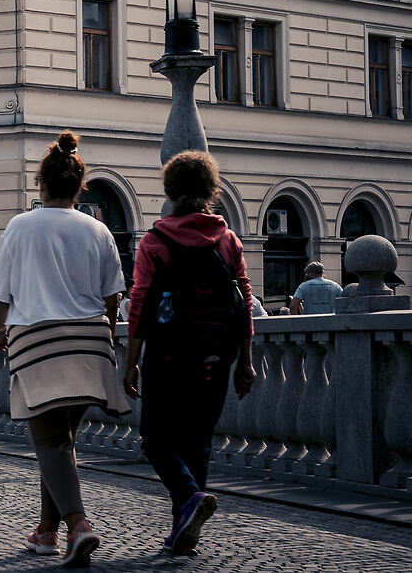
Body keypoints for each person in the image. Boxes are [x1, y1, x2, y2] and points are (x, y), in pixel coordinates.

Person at [0, 132, 128, 567]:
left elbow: (0, 291)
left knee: (50, 442)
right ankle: (46, 533)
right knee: (61, 442)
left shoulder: (20, 226)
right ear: (80, 186)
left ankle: (78, 525)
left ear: (41, 185)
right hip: (90, 343)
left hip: (38, 340)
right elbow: (113, 297)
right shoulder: (99, 229)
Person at [124, 148, 257, 559]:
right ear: (210, 190)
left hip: (168, 354)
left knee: (155, 440)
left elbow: (141, 302)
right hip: (219, 352)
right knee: (197, 442)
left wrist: (131, 362)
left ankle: (188, 498)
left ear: (169, 190)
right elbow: (244, 300)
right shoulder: (227, 238)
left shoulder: (156, 240)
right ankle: (185, 534)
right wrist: (246, 360)